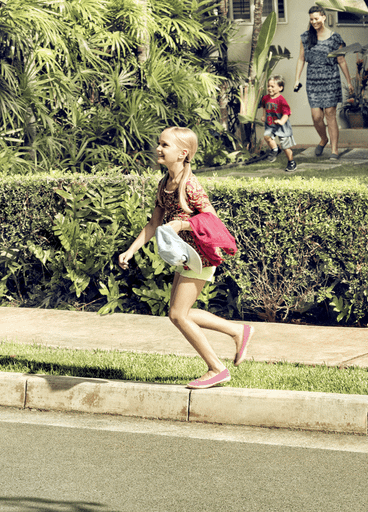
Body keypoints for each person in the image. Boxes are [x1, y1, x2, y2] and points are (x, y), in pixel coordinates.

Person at [118, 127, 253, 390]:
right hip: (185, 257)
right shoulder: (164, 184)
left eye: (165, 145)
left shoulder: (189, 185)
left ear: (182, 154)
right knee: (181, 313)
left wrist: (182, 225)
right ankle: (238, 331)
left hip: (200, 256)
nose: (159, 148)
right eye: (159, 143)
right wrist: (131, 249)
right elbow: (154, 223)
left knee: (178, 315)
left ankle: (217, 368)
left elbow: (211, 218)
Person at [294, 5, 353, 162]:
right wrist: (296, 79)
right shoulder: (306, 37)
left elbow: (341, 60)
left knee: (330, 114)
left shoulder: (335, 38)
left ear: (324, 17)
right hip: (313, 81)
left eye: (316, 18)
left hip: (331, 80)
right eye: (311, 19)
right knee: (316, 116)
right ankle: (323, 139)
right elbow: (301, 58)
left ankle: (334, 150)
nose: (314, 22)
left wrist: (349, 80)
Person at [261, 74, 297, 172]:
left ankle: (291, 162)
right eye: (268, 86)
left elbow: (287, 113)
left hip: (282, 126)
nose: (269, 88)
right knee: (266, 136)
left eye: (272, 86)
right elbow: (264, 106)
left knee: (286, 147)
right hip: (271, 124)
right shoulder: (265, 98)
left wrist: (281, 121)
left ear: (280, 88)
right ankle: (275, 149)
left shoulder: (281, 100)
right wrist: (264, 115)